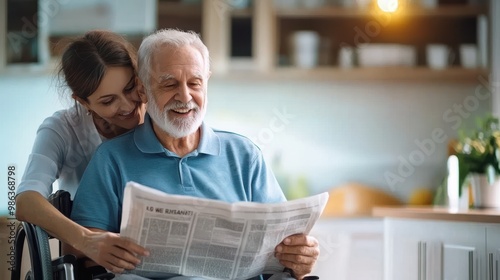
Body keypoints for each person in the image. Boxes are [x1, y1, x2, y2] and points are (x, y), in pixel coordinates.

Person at [70, 29, 319, 280]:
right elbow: (84, 252)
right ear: (143, 90)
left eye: (195, 83)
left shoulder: (244, 155)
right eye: (169, 84)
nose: (185, 97)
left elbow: (286, 248)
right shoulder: (111, 159)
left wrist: (299, 258)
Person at [15, 30, 150, 274]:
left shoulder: (158, 115)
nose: (128, 106)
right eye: (108, 101)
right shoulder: (63, 129)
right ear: (83, 101)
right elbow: (26, 201)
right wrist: (87, 240)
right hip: (94, 266)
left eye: (130, 88)